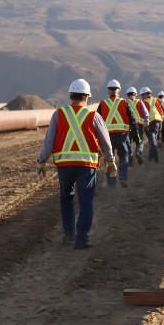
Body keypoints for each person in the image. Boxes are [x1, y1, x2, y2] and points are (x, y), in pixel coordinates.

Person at [36, 79, 117, 250]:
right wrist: (110, 160)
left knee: (66, 198)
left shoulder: (58, 114)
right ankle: (82, 238)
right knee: (86, 200)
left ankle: (69, 234)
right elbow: (105, 140)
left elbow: (49, 140)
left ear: (70, 95)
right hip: (86, 166)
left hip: (64, 165)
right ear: (87, 97)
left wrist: (41, 160)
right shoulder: (93, 115)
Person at [97, 79, 138, 189]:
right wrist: (135, 134)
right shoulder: (124, 102)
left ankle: (111, 183)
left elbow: (96, 121)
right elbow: (132, 119)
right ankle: (123, 178)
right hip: (122, 136)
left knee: (109, 159)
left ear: (108, 91)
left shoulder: (103, 103)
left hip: (107, 137)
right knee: (124, 156)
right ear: (119, 91)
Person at [126, 86, 149, 166]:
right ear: (135, 94)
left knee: (129, 143)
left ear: (127, 95)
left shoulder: (125, 103)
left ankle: (130, 160)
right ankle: (138, 152)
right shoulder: (139, 102)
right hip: (138, 126)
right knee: (139, 142)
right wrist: (147, 124)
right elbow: (146, 114)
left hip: (128, 128)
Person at [140, 87, 164, 162]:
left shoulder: (144, 102)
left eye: (142, 95)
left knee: (152, 142)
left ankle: (156, 158)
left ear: (144, 94)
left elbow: (143, 114)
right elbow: (161, 111)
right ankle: (150, 157)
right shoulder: (155, 99)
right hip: (159, 123)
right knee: (153, 140)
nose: (142, 97)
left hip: (151, 124)